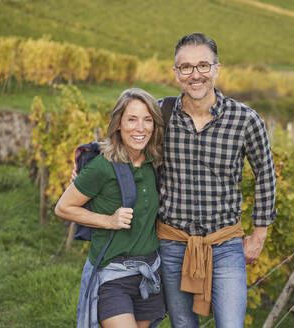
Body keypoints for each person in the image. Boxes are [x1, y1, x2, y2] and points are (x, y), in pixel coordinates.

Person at [156, 33, 276, 328]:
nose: (195, 75)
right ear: (176, 73)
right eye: (186, 67)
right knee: (183, 325)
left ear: (217, 69)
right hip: (172, 244)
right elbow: (122, 143)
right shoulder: (159, 114)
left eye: (203, 66)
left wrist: (258, 237)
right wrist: (84, 166)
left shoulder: (245, 119)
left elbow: (266, 175)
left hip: (225, 245)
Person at [55, 88, 166, 328]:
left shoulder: (154, 162)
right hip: (113, 274)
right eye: (132, 119)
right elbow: (63, 207)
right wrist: (108, 221)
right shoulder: (102, 166)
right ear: (118, 124)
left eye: (148, 120)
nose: (141, 128)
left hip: (149, 273)